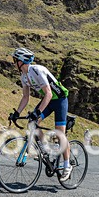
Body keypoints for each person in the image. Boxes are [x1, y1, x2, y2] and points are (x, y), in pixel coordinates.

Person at [8, 47, 72, 181]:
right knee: (32, 123)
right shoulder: (24, 76)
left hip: (60, 100)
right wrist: (17, 113)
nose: (13, 63)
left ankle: (67, 165)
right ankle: (46, 150)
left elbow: (48, 93)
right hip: (49, 101)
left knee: (60, 133)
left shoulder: (37, 70)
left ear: (21, 61)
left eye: (15, 60)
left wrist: (38, 111)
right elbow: (25, 97)